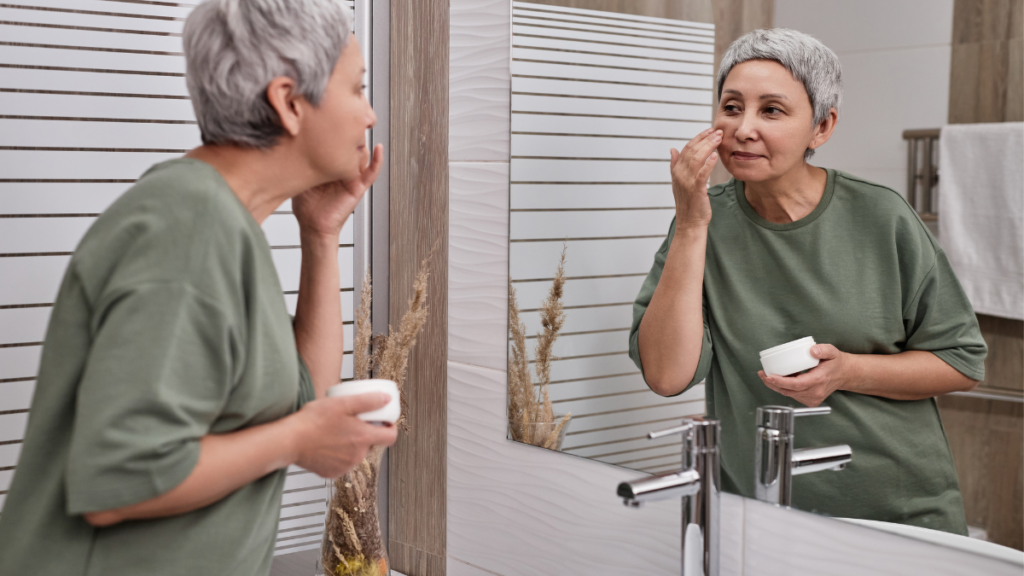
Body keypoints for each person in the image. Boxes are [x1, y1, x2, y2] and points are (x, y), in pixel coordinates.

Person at [0, 1, 395, 574]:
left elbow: (308, 395)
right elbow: (118, 480)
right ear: (288, 102)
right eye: (357, 89)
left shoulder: (225, 225)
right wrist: (294, 442)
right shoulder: (186, 226)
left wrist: (321, 233)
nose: (370, 115)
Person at [629, 28, 987, 534]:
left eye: (771, 111)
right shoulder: (703, 225)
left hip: (900, 512)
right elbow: (667, 376)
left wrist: (849, 372)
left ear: (821, 127)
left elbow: (961, 362)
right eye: (731, 107)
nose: (743, 128)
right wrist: (690, 221)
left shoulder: (881, 216)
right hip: (761, 511)